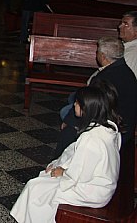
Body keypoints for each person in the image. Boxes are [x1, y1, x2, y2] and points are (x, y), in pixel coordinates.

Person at [10, 85, 121, 222]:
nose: (74, 104)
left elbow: (80, 174)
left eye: (77, 102)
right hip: (100, 185)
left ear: (86, 108)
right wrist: (59, 165)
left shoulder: (91, 139)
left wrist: (62, 172)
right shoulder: (108, 128)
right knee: (39, 183)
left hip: (91, 191)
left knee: (37, 191)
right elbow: (79, 158)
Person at [54, 37, 136, 157]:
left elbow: (89, 107)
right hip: (125, 123)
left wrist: (69, 122)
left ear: (103, 56)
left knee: (68, 132)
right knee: (72, 102)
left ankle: (58, 164)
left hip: (115, 128)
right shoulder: (126, 71)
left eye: (97, 51)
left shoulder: (104, 79)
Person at [118, 11, 137, 79]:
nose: (119, 26)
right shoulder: (125, 46)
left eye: (126, 24)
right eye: (121, 23)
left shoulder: (133, 53)